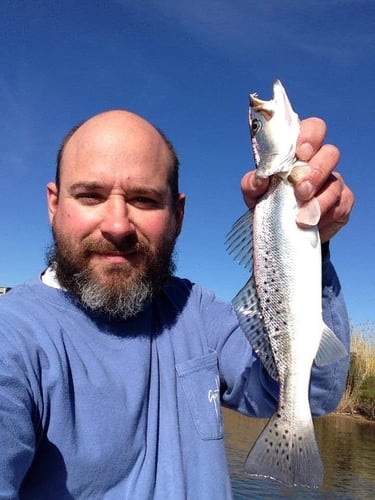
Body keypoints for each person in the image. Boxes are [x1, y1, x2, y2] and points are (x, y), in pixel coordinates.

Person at [0, 110, 353, 499]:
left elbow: (315, 393)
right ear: (54, 204)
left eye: (144, 199)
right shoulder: (11, 339)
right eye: (90, 196)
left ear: (178, 214)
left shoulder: (196, 310)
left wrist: (309, 247)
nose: (117, 225)